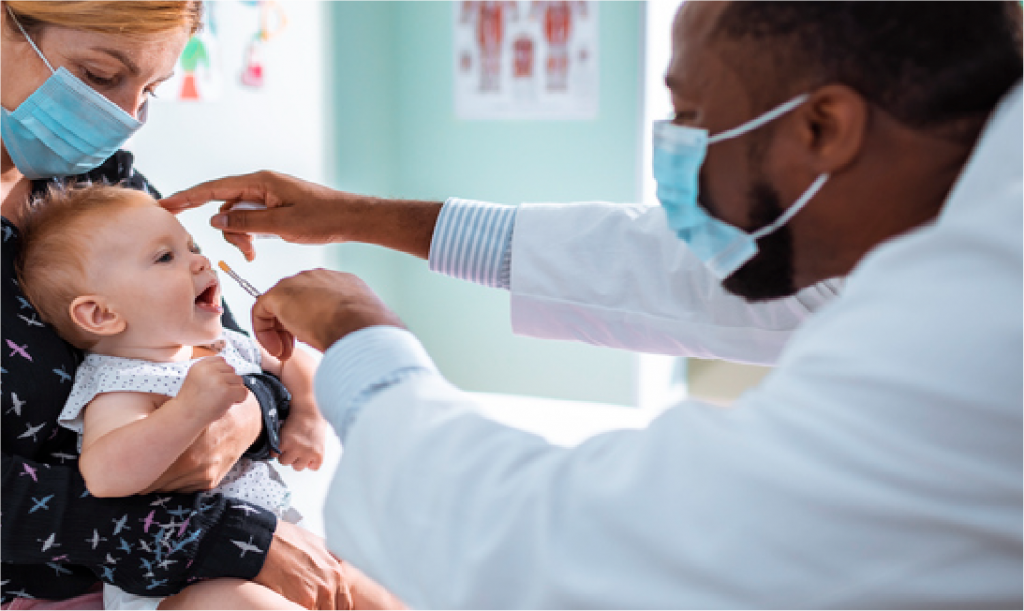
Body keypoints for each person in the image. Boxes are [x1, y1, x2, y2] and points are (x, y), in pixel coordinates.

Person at [166, 1, 1023, 608]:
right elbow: (672, 266)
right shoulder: (963, 208)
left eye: (690, 113)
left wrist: (361, 343)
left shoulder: (982, 319)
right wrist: (354, 218)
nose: (674, 149)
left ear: (823, 128)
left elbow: (586, 549)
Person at [0, 2, 395, 609]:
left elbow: (222, 343)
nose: (126, 116)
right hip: (85, 582)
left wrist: (246, 415)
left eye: (151, 88)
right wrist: (219, 537)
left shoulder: (96, 181)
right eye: (100, 77)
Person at [16, 184, 329, 610]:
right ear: (101, 314)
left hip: (273, 538)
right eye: (166, 257)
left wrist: (308, 414)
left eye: (191, 247)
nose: (200, 261)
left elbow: (294, 361)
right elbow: (107, 474)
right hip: (178, 583)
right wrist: (188, 411)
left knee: (383, 591)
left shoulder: (223, 345)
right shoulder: (119, 384)